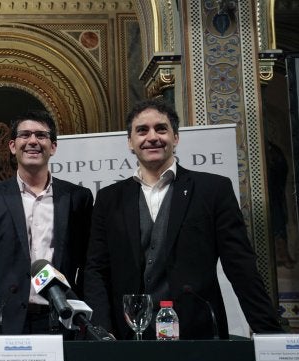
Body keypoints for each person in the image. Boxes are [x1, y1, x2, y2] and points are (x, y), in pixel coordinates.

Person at [84, 99, 283, 340]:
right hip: (127, 336)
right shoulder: (109, 199)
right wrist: (102, 331)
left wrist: (271, 335)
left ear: (175, 137)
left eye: (161, 129)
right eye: (142, 130)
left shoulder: (213, 190)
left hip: (196, 333)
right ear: (130, 142)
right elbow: (96, 270)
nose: (152, 137)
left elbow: (240, 266)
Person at [0, 110, 93, 340]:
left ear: (53, 147)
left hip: (62, 321)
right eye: (25, 135)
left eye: (41, 135)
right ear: (13, 146)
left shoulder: (78, 198)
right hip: (4, 323)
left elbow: (90, 266)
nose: (33, 141)